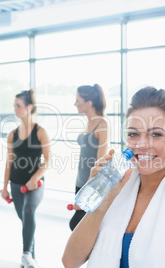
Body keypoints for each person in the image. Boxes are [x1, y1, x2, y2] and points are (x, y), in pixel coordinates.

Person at [62, 86, 165, 268]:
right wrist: (103, 202)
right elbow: (70, 261)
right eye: (133, 134)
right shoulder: (116, 189)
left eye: (155, 134)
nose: (142, 144)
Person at [1, 89, 51, 268]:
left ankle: (26, 253)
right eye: (15, 106)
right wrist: (5, 186)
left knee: (29, 211)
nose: (15, 109)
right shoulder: (12, 134)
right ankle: (31, 261)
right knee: (25, 223)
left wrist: (35, 178)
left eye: (18, 106)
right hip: (16, 183)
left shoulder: (40, 132)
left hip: (35, 184)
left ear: (29, 107)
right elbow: (9, 162)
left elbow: (48, 160)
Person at [69, 84, 109, 231]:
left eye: (78, 100)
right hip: (80, 182)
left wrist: (86, 190)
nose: (75, 104)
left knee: (76, 225)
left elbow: (100, 163)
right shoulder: (88, 123)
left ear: (89, 102)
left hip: (91, 186)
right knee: (78, 227)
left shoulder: (102, 124)